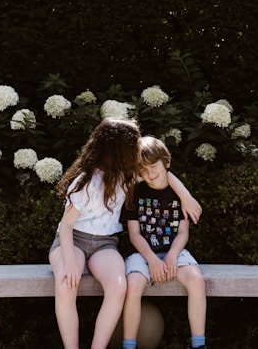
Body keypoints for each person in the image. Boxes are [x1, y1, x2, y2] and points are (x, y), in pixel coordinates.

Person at [49, 118, 202, 349]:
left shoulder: (128, 176)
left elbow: (163, 173)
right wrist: (70, 262)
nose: (137, 148)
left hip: (104, 245)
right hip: (73, 241)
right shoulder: (86, 181)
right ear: (119, 150)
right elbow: (67, 227)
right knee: (65, 283)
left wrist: (185, 196)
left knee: (119, 286)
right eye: (133, 145)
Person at [120, 136, 207, 349]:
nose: (150, 174)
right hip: (143, 254)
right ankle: (128, 345)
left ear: (166, 163)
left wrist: (171, 256)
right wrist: (152, 260)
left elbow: (183, 232)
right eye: (143, 171)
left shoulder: (179, 195)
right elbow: (134, 235)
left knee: (196, 280)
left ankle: (199, 344)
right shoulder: (135, 193)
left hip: (174, 251)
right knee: (133, 285)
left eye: (153, 167)